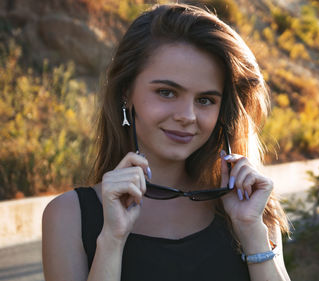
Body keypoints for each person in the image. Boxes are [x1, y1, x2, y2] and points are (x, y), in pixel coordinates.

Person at [41, 3, 291, 281]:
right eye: (167, 92)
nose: (187, 116)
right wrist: (112, 239)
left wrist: (251, 232)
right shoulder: (69, 216)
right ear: (126, 92)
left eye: (205, 100)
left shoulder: (251, 206)